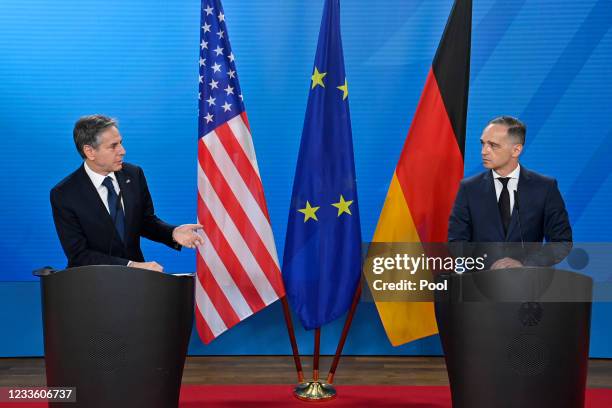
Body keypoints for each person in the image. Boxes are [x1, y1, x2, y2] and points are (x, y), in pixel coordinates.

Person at [50, 114, 203, 272]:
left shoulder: (134, 174)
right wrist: (131, 266)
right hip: (92, 283)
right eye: (113, 146)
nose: (122, 151)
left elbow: (145, 222)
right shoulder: (64, 194)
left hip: (137, 284)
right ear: (90, 151)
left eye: (121, 143)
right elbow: (79, 255)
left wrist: (172, 232)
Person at [448, 116, 572, 269]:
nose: (484, 151)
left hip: (528, 286)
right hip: (480, 284)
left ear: (516, 150)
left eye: (493, 145)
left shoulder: (544, 187)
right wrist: (488, 265)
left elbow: (561, 242)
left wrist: (526, 265)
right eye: (483, 143)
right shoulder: (469, 188)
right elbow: (456, 242)